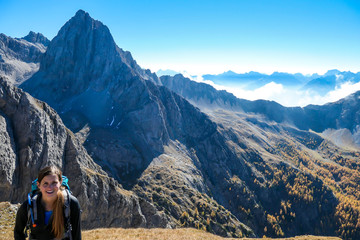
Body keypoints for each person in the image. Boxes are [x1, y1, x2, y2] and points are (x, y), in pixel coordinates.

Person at [14, 166, 82, 240]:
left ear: (60, 183)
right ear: (38, 185)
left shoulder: (71, 203)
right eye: (45, 183)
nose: (50, 187)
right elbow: (18, 233)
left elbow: (77, 236)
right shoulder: (28, 206)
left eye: (54, 183)